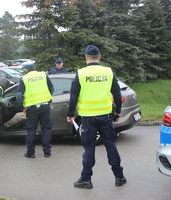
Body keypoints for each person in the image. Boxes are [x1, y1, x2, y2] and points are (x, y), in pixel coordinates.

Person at [66, 45, 126, 189]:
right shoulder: (108, 72)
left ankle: (86, 179)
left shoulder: (81, 73)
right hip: (105, 116)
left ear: (86, 57)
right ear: (99, 57)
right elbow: (117, 94)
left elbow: (73, 96)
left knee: (89, 148)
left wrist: (70, 114)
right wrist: (117, 112)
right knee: (111, 145)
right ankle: (119, 177)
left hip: (87, 118)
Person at [17, 62, 54, 158]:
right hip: (45, 106)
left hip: (32, 107)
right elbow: (51, 88)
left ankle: (31, 152)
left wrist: (22, 107)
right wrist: (48, 98)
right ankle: (47, 152)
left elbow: (19, 95)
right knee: (46, 128)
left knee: (31, 129)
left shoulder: (24, 79)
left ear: (26, 70)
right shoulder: (43, 75)